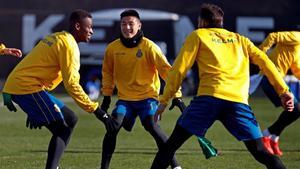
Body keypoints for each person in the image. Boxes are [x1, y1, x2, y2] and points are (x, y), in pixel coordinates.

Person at [150, 3, 294, 169]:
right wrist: (284, 91)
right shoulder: (241, 40)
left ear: (202, 21)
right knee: (261, 151)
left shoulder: (198, 35)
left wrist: (164, 100)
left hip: (208, 100)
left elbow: (178, 71)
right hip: (237, 102)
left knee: (170, 147)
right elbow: (266, 63)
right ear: (221, 21)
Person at [2, 9, 114, 169]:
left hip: (24, 86)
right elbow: (72, 84)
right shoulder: (69, 46)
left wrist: (36, 108)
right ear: (77, 26)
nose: (91, 31)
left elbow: (36, 68)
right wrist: (97, 111)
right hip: (26, 87)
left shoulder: (58, 37)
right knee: (62, 128)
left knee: (70, 119)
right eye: (89, 27)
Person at [99, 9, 185, 169]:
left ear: (139, 25)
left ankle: (176, 166)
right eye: (123, 24)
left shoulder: (150, 47)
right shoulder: (112, 49)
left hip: (148, 98)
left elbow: (168, 72)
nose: (127, 27)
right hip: (125, 100)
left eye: (131, 24)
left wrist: (177, 96)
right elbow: (107, 73)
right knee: (113, 126)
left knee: (151, 125)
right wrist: (106, 97)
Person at [254, 31, 300, 156]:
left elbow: (296, 68)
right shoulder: (297, 37)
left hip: (276, 80)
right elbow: (273, 36)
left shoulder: (298, 45)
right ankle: (267, 135)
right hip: (270, 78)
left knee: (294, 110)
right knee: (296, 109)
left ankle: (274, 138)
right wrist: (260, 52)